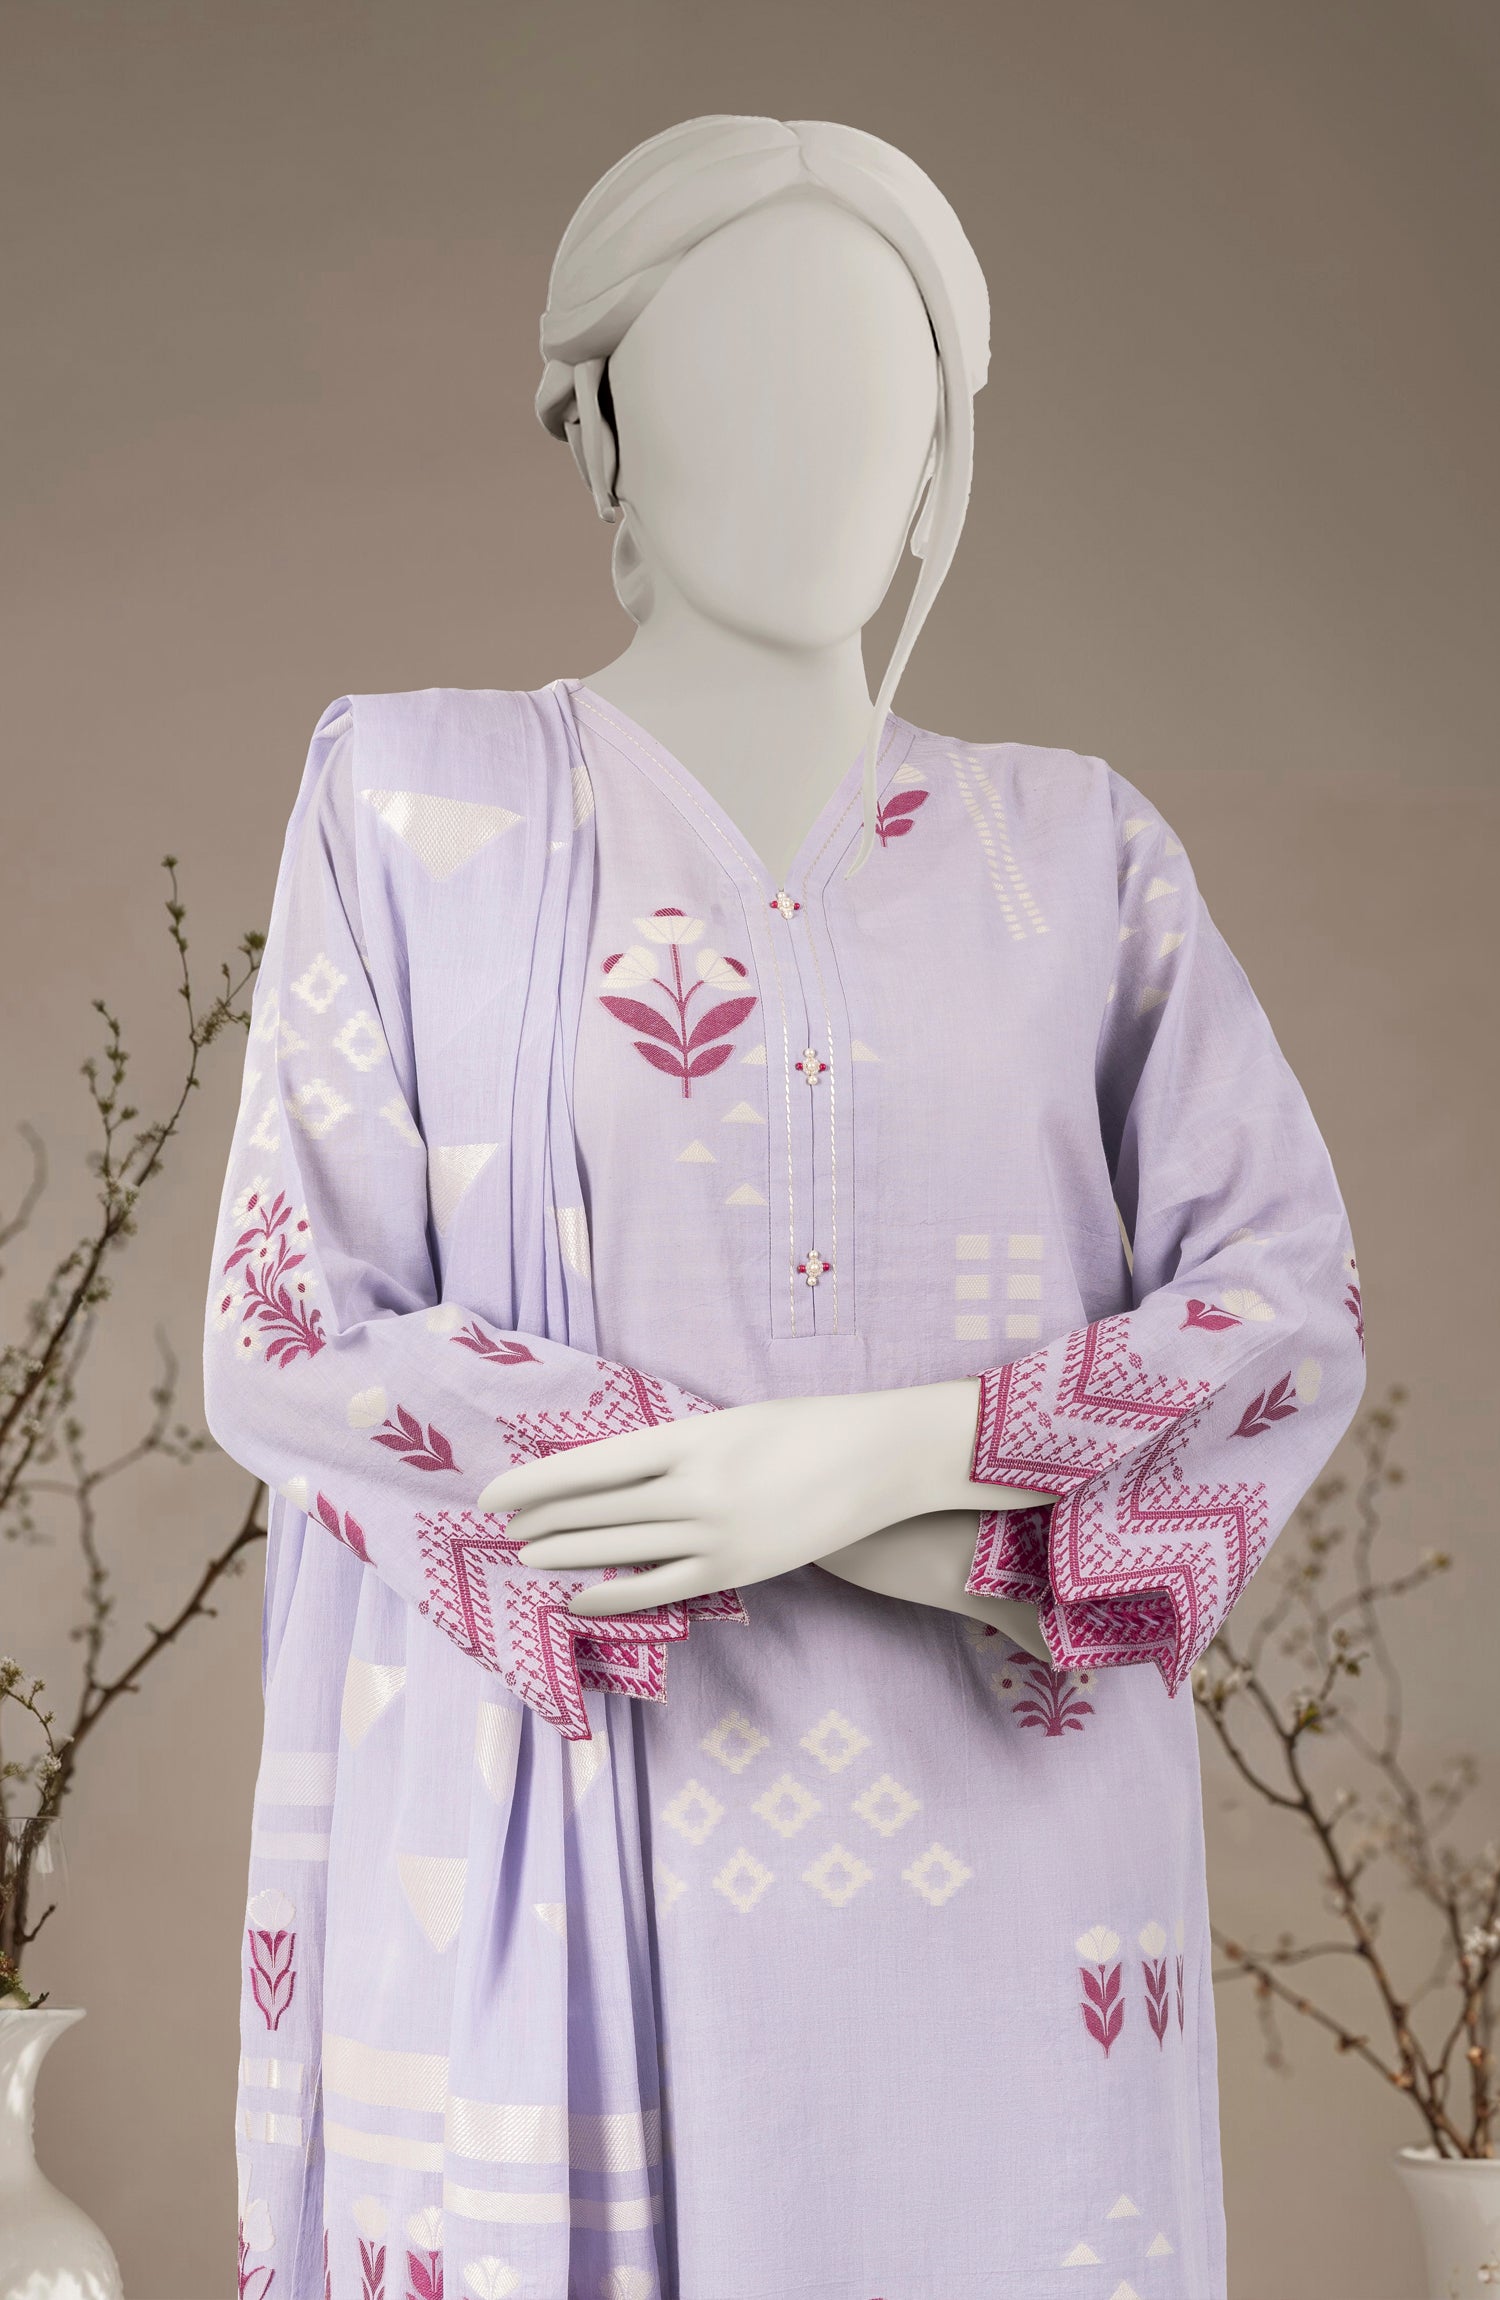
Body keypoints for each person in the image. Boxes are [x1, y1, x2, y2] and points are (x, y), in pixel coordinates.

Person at [206, 114, 1366, 2300]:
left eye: (871, 391)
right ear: (598, 434)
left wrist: (866, 1467)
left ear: (941, 463)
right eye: (730, 375)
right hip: (561, 1838)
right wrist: (758, 1492)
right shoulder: (411, 800)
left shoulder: (1077, 856)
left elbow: (1284, 1306)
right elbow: (291, 1337)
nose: (806, 448)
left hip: (1011, 1886)